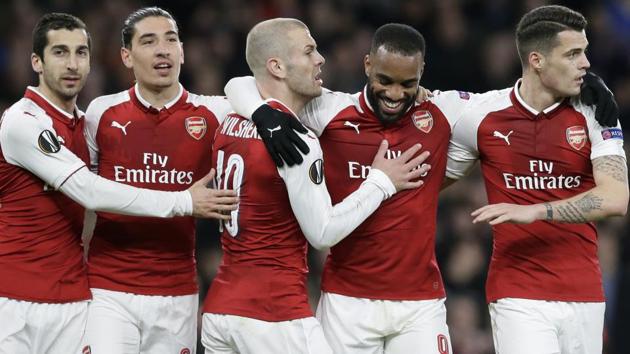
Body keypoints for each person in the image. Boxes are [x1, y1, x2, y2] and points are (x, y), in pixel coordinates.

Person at [224, 23, 481, 354]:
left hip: (419, 304)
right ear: (367, 65)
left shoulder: (443, 111)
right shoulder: (327, 111)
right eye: (385, 81)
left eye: (408, 83)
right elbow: (242, 84)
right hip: (346, 303)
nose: (394, 94)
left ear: (421, 73)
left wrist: (450, 174)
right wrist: (261, 112)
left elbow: (506, 105)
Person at [0, 12, 237, 354]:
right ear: (36, 61)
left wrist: (255, 105)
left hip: (78, 300)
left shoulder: (80, 124)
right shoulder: (32, 121)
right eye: (60, 52)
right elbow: (90, 191)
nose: (72, 64)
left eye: (81, 53)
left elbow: (258, 95)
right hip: (28, 298)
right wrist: (184, 201)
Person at [445, 5, 627, 353]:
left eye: (585, 51)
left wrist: (536, 211)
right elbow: (436, 182)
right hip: (517, 292)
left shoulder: (597, 112)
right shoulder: (482, 115)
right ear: (537, 60)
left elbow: (616, 198)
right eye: (573, 53)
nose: (586, 63)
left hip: (584, 292)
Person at [77, 7, 240, 354]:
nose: (162, 50)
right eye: (148, 42)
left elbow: (257, 92)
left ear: (182, 51)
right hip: (109, 290)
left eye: (171, 40)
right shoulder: (100, 114)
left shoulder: (215, 114)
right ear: (126, 55)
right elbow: (85, 195)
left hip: (176, 294)